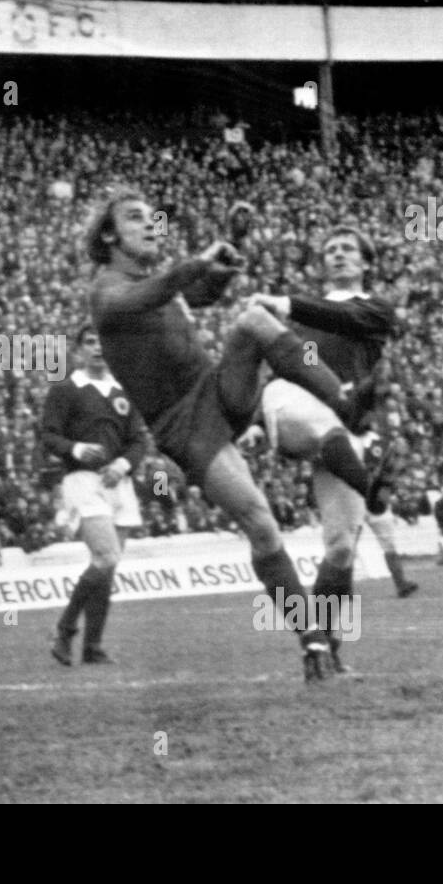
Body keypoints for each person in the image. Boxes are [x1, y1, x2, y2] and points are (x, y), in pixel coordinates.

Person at [86, 192, 371, 681]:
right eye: (137, 218)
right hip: (184, 425)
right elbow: (149, 295)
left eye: (154, 217)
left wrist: (229, 251)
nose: (152, 224)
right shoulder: (107, 289)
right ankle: (314, 643)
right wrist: (198, 262)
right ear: (109, 235)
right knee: (261, 525)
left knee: (254, 320)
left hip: (216, 389)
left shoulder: (158, 283)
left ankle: (340, 399)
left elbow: (201, 294)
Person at [244, 226, 417, 674]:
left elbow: (342, 319)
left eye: (347, 250)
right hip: (300, 409)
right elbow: (281, 366)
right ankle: (371, 484)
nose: (338, 255)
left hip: (345, 428)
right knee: (302, 407)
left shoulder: (376, 310)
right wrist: (259, 424)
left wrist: (287, 304)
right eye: (330, 251)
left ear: (365, 263)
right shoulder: (301, 317)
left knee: (340, 548)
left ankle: (321, 644)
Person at [40, 324, 146, 666]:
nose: (98, 348)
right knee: (106, 558)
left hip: (119, 483)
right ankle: (65, 628)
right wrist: (76, 448)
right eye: (90, 342)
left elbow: (138, 441)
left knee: (108, 569)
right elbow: (48, 436)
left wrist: (123, 465)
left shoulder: (123, 390)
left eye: (103, 342)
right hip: (83, 481)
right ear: (78, 350)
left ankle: (93, 646)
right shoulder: (66, 389)